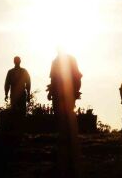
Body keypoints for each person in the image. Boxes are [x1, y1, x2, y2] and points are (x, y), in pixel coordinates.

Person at [48, 49, 82, 178]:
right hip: (63, 90)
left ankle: (67, 136)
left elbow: (77, 75)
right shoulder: (59, 60)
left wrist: (76, 89)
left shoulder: (59, 61)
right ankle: (66, 135)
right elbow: (77, 76)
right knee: (63, 112)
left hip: (65, 90)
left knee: (64, 112)